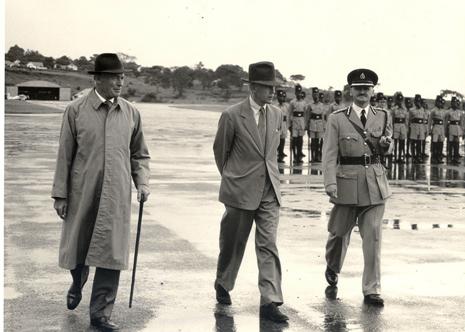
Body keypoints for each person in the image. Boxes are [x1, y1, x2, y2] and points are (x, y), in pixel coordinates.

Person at [52, 53, 150, 331]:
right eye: (114, 76)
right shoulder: (76, 110)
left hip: (116, 195)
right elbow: (64, 156)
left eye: (122, 76)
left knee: (111, 253)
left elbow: (140, 155)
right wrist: (60, 195)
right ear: (98, 79)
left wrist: (142, 182)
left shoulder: (131, 112)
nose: (120, 81)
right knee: (78, 247)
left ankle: (101, 313)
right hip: (83, 191)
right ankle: (77, 278)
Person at [213, 61, 288, 323]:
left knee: (268, 244)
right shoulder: (232, 115)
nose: (272, 92)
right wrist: (234, 178)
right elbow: (220, 153)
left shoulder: (277, 114)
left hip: (269, 190)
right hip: (240, 190)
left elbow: (276, 151)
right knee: (233, 243)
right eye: (268, 87)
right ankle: (223, 282)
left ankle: (270, 301)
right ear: (254, 87)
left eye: (274, 88)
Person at [323, 68, 392, 306]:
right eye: (358, 88)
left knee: (372, 238)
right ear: (350, 90)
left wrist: (385, 145)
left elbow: (385, 148)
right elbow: (330, 154)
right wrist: (330, 182)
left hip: (375, 184)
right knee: (338, 234)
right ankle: (332, 266)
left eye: (367, 88)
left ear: (373, 91)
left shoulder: (383, 115)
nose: (362, 92)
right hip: (346, 185)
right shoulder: (337, 118)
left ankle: (371, 289)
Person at [307, 87, 326, 162]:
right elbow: (307, 116)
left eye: (316, 94)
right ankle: (313, 156)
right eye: (314, 94)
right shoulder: (310, 105)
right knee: (313, 142)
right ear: (312, 95)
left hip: (320, 125)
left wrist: (324, 126)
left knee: (319, 141)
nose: (315, 96)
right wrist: (307, 126)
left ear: (318, 95)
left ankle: (319, 156)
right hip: (312, 124)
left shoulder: (322, 105)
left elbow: (323, 117)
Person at [289, 86, 307, 163]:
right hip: (295, 122)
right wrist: (290, 124)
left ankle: (299, 155)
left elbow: (305, 114)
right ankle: (295, 155)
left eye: (300, 92)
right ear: (295, 93)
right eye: (297, 92)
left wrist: (305, 124)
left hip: (301, 122)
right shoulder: (292, 102)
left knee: (300, 140)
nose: (299, 94)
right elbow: (290, 113)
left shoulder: (304, 103)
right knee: (294, 140)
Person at [444, 96, 464, 165]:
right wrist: (445, 131)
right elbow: (445, 122)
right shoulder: (448, 112)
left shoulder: (460, 112)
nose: (454, 104)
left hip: (457, 128)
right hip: (451, 128)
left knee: (457, 144)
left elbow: (461, 122)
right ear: (451, 103)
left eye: (455, 102)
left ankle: (456, 158)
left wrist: (462, 130)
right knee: (450, 144)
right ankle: (450, 158)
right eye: (453, 102)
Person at [408, 95, 426, 163]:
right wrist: (409, 129)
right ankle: (413, 156)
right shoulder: (411, 110)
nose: (418, 103)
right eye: (417, 101)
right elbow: (409, 120)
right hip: (414, 127)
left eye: (419, 101)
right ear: (415, 102)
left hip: (420, 127)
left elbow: (424, 120)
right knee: (413, 142)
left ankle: (419, 156)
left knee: (419, 143)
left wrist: (424, 129)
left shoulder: (422, 109)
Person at [428, 96, 447, 164]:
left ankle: (439, 157)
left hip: (441, 128)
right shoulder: (433, 111)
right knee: (434, 143)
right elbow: (429, 121)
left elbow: (444, 121)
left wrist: (444, 130)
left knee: (440, 143)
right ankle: (433, 157)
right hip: (435, 127)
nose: (440, 104)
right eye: (438, 102)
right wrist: (429, 130)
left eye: (441, 102)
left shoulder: (443, 111)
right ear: (436, 102)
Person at [391, 93, 408, 163]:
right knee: (395, 143)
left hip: (403, 127)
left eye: (401, 100)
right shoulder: (394, 109)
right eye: (398, 100)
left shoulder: (405, 109)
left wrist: (407, 129)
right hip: (396, 126)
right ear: (396, 100)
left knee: (402, 143)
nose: (400, 101)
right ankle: (395, 157)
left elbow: (406, 119)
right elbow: (392, 119)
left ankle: (402, 157)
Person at [276, 89, 290, 162]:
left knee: (283, 138)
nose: (281, 98)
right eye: (280, 97)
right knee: (277, 139)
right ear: (278, 97)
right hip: (277, 123)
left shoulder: (287, 106)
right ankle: (278, 152)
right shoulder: (275, 105)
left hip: (284, 123)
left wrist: (288, 125)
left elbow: (288, 115)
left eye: (282, 97)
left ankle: (281, 151)